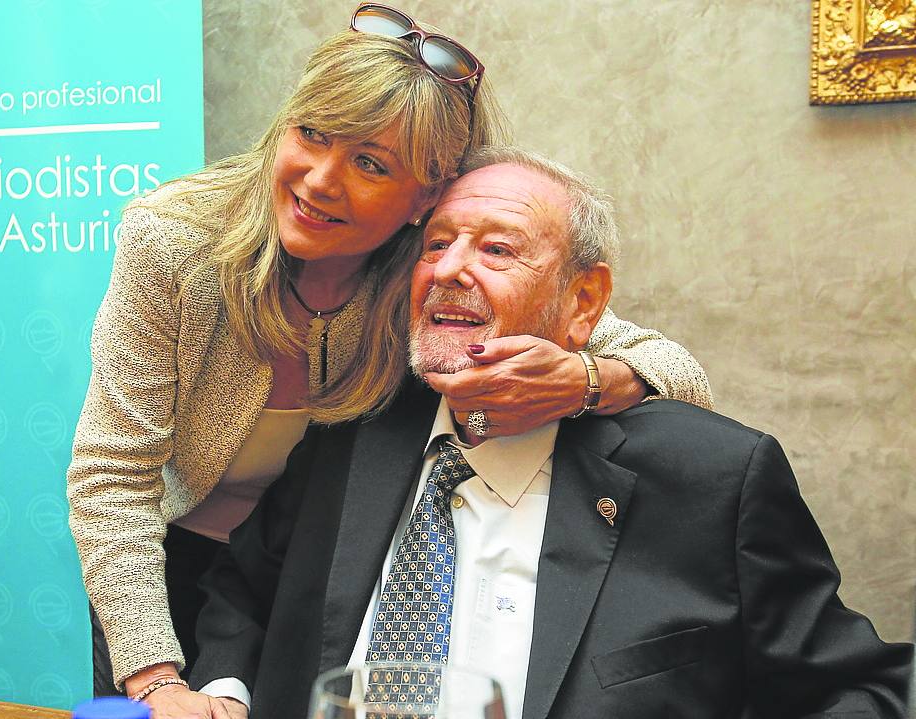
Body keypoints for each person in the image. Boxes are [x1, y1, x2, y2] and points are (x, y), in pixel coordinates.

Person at [67, 5, 713, 714]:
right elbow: (111, 475)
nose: (317, 180)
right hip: (162, 571)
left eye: (369, 163)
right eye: (311, 134)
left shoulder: (435, 268)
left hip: (321, 565)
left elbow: (676, 372)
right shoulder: (173, 244)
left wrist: (585, 379)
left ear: (424, 197)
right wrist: (155, 677)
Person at [187, 148, 914, 718]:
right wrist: (223, 690)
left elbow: (865, 691)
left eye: (497, 250)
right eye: (435, 245)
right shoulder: (352, 433)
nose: (449, 270)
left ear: (584, 300)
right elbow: (242, 591)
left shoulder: (709, 478)